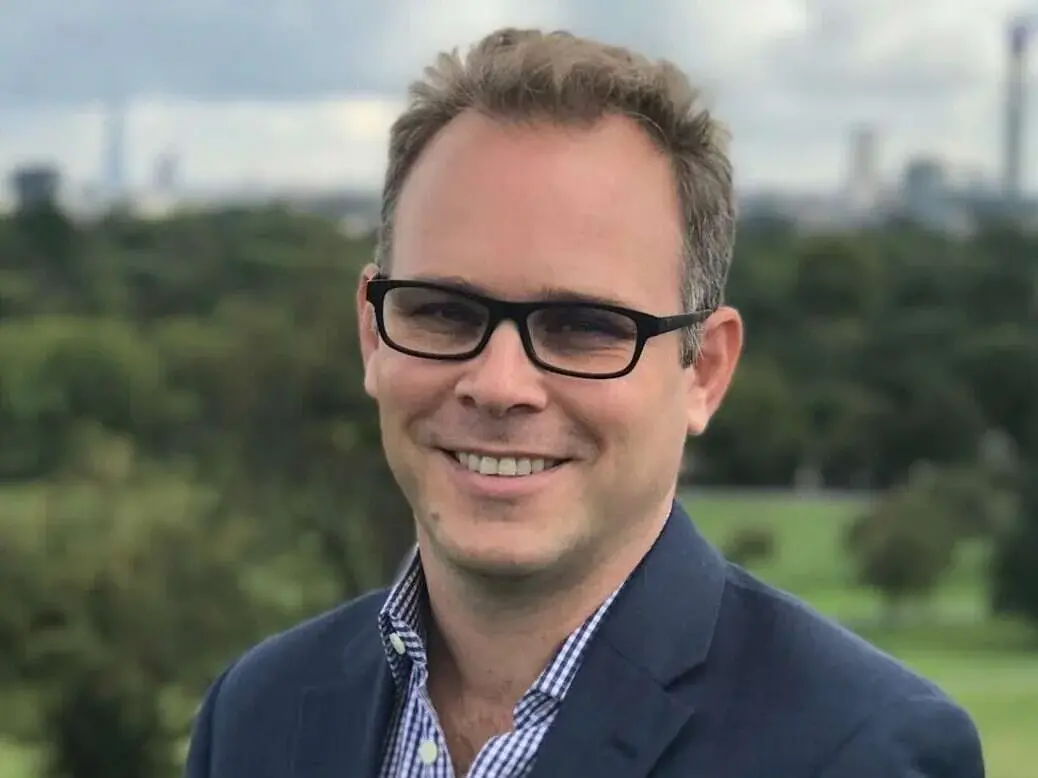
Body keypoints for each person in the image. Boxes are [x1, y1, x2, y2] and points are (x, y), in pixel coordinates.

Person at [183, 27, 985, 778]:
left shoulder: (857, 752)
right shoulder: (257, 715)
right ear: (372, 332)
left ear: (703, 369)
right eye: (443, 312)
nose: (498, 386)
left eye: (583, 327)